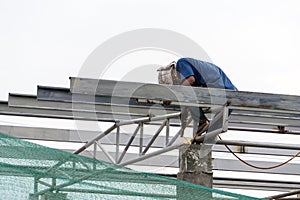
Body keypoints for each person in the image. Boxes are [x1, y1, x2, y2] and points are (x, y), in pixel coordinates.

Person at [158, 57, 237, 137]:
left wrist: (172, 95)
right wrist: (184, 111)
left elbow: (190, 80)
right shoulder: (192, 72)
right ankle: (204, 133)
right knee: (212, 132)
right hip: (228, 95)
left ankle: (202, 121)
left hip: (222, 92)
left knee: (186, 91)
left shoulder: (181, 63)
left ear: (173, 75)